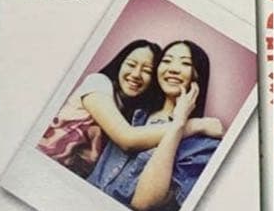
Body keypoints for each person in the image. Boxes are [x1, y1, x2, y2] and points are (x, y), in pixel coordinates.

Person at [37, 39, 220, 179]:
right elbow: (127, 138)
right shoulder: (98, 83)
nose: (136, 74)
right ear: (120, 64)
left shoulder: (133, 114)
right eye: (131, 65)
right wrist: (197, 125)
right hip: (43, 164)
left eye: (147, 71)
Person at [87, 41, 223, 211]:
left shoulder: (203, 145)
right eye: (166, 61)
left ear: (198, 76)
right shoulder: (131, 112)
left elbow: (144, 203)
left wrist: (179, 124)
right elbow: (127, 138)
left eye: (185, 63)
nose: (173, 69)